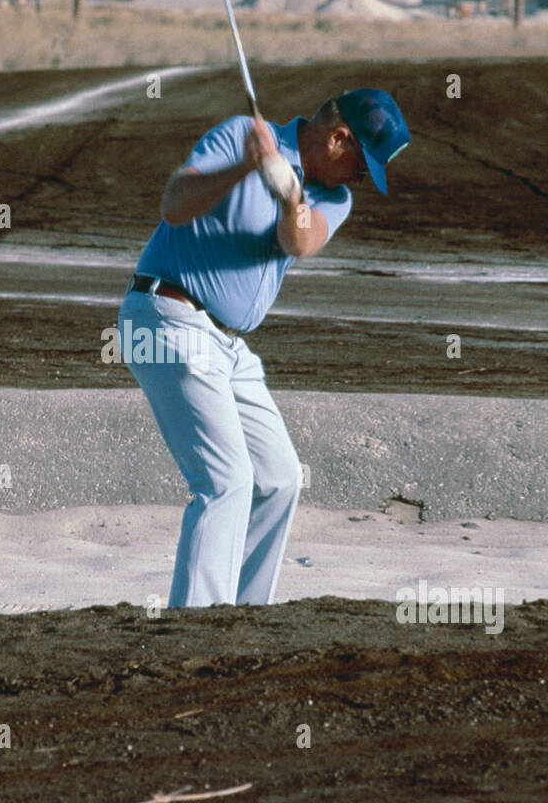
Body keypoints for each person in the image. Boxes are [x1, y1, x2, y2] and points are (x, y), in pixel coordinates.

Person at [118, 88, 410, 608]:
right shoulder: (241, 135)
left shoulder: (333, 196)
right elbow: (174, 205)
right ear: (339, 138)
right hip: (167, 318)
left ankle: (246, 617)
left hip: (227, 346)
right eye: (362, 164)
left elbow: (301, 240)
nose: (362, 179)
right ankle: (197, 626)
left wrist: (290, 195)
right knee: (226, 481)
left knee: (279, 478)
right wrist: (244, 168)